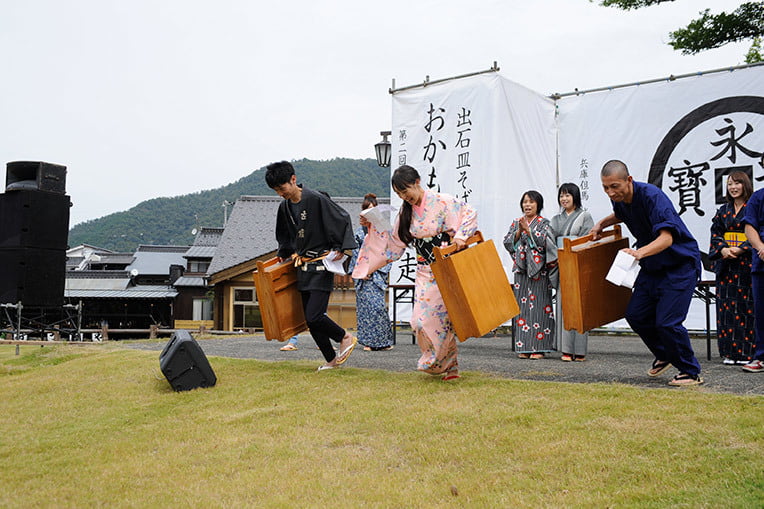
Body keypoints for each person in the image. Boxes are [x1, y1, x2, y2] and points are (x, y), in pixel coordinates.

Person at [351, 165, 477, 380]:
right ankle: (437, 362)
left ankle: (450, 366)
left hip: (446, 268)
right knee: (420, 321)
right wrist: (372, 226)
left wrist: (460, 237)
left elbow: (469, 213)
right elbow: (394, 244)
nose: (404, 196)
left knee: (443, 320)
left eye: (405, 190)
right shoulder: (405, 212)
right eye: (399, 194)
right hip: (425, 272)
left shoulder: (442, 201)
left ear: (417, 182)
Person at [590, 159, 703, 386]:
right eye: (605, 188)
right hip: (653, 267)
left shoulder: (653, 197)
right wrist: (601, 224)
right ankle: (664, 354)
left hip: (679, 265)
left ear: (628, 180)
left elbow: (666, 238)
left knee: (668, 322)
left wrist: (638, 253)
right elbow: (621, 214)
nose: (611, 192)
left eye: (615, 186)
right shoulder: (621, 201)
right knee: (636, 314)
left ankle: (690, 371)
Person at [265, 161, 358, 371]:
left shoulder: (316, 199)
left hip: (321, 265)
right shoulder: (285, 206)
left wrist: (339, 246)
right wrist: (284, 253)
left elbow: (341, 218)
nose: (281, 193)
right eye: (276, 190)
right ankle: (331, 360)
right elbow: (284, 235)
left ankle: (345, 337)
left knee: (315, 315)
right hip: (302, 266)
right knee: (310, 320)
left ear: (293, 179)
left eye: (282, 188)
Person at [708, 171, 754, 365]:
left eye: (737, 183)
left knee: (747, 308)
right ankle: (729, 353)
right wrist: (723, 249)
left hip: (747, 264)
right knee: (726, 309)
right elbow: (715, 232)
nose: (733, 187)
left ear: (745, 185)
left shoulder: (754, 206)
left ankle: (748, 353)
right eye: (729, 184)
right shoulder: (723, 210)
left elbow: (759, 232)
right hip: (726, 265)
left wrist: (742, 248)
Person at [503, 190, 556, 359]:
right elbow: (508, 243)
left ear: (538, 205)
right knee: (523, 308)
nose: (527, 205)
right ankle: (524, 347)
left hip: (538, 271)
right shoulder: (516, 223)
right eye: (525, 202)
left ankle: (539, 347)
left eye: (531, 202)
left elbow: (545, 245)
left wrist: (529, 232)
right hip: (521, 270)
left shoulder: (544, 223)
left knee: (541, 307)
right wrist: (519, 232)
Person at [549, 183, 594, 362]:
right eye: (561, 196)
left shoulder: (585, 216)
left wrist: (574, 252)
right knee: (563, 307)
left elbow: (588, 239)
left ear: (575, 196)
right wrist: (558, 257)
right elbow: (550, 241)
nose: (564, 199)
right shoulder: (555, 219)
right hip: (562, 264)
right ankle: (566, 349)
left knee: (579, 307)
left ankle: (580, 350)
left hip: (578, 263)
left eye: (568, 195)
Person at [348, 193, 394, 351]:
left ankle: (384, 341)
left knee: (378, 308)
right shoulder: (359, 233)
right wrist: (361, 271)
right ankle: (368, 342)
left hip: (377, 275)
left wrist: (374, 269)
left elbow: (389, 254)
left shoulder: (383, 231)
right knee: (366, 309)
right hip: (364, 277)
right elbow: (355, 254)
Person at [741, 186, 764, 373]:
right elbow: (749, 227)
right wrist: (760, 248)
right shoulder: (758, 197)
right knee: (762, 313)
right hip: (762, 263)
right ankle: (761, 357)